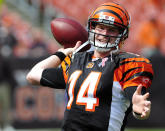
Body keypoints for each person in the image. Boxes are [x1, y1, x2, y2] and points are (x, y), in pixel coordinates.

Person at [26, 2, 154, 131]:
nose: (104, 33)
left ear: (122, 34)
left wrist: (139, 109)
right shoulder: (76, 59)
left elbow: (137, 100)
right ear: (92, 28)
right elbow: (33, 75)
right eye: (101, 27)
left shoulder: (126, 64)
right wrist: (62, 53)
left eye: (112, 30)